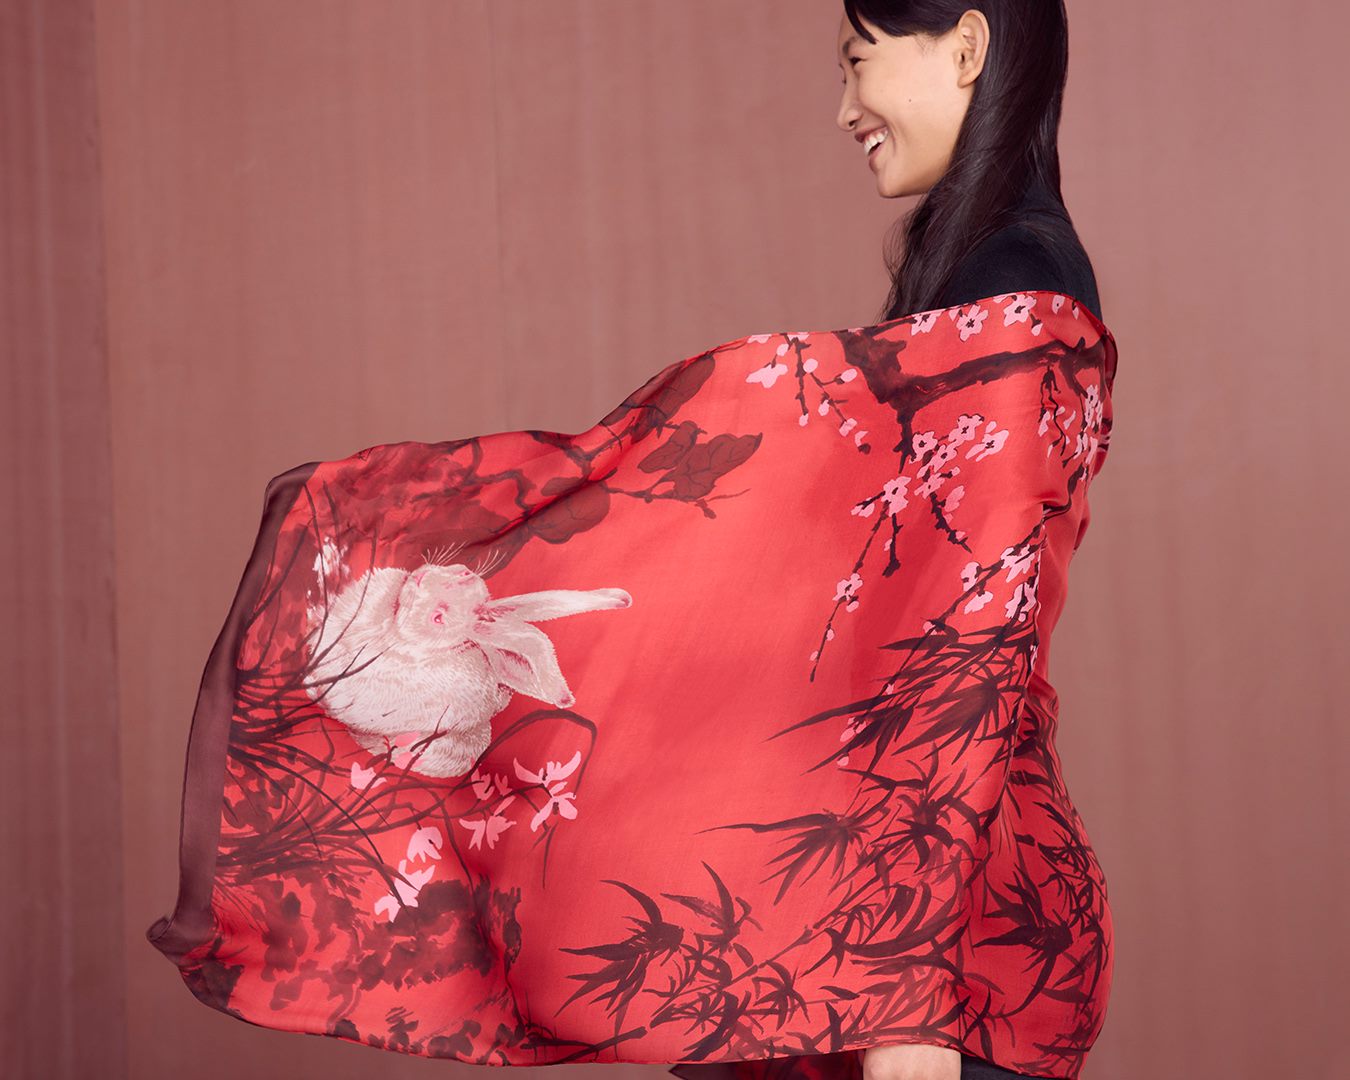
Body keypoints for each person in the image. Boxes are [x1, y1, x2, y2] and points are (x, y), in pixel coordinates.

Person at [835, 4, 1102, 1080]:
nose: (845, 106)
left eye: (859, 61)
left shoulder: (1014, 288)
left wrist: (909, 994)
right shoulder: (984, 280)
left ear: (967, 46)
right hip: (944, 886)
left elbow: (962, 636)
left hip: (957, 921)